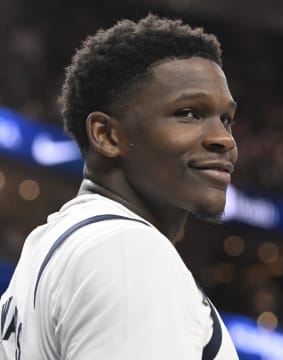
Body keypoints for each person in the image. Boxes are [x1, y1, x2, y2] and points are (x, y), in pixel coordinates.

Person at [0, 14, 239, 359]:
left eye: (226, 119)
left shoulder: (48, 245)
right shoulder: (129, 251)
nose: (224, 139)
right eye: (188, 113)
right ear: (107, 135)